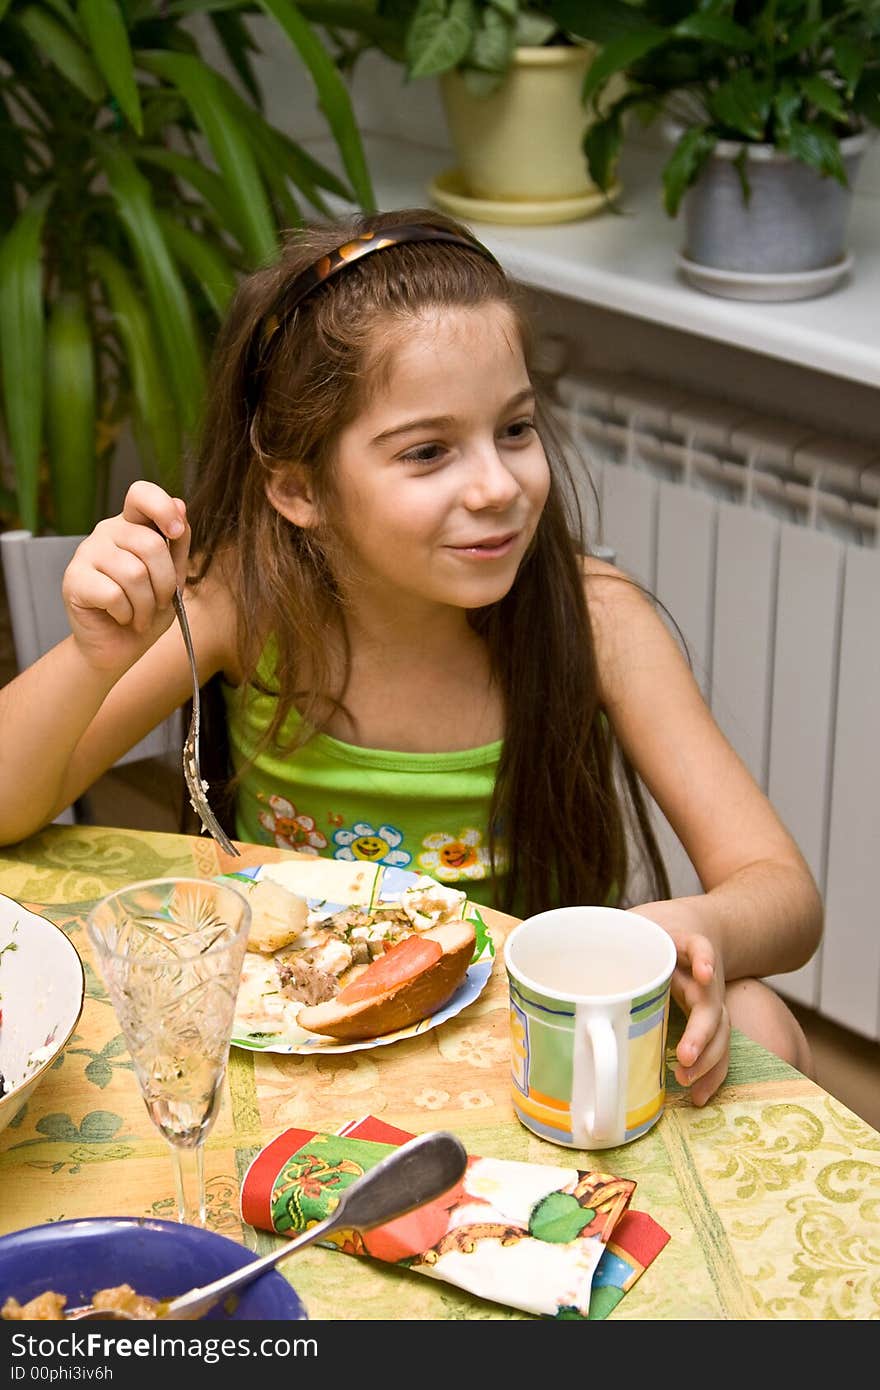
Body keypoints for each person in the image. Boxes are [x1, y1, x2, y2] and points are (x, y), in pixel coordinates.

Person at [0, 208, 821, 1104]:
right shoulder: (246, 602)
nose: (499, 486)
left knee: (763, 1017)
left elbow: (783, 895)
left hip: (520, 1062)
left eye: (515, 430)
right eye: (429, 452)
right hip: (304, 1053)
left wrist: (688, 927)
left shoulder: (599, 623)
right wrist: (94, 657)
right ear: (297, 486)